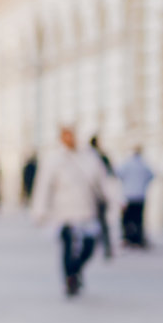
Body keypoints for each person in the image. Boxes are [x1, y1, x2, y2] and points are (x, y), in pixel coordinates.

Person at [31, 126, 117, 297]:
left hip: (87, 210)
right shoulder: (54, 159)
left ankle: (76, 270)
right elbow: (43, 186)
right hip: (64, 212)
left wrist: (115, 200)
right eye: (66, 135)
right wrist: (39, 210)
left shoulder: (89, 157)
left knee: (90, 246)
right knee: (68, 246)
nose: (70, 138)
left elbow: (102, 181)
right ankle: (69, 278)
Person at [117, 146, 155, 248]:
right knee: (138, 219)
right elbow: (151, 176)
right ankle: (138, 239)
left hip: (128, 196)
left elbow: (118, 174)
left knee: (127, 219)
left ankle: (128, 238)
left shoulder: (127, 164)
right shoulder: (144, 164)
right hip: (140, 196)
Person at [88, 135, 116, 260]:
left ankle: (100, 247)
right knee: (101, 223)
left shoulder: (86, 157)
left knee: (91, 223)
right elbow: (110, 173)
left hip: (91, 197)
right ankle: (106, 248)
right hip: (98, 196)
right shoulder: (100, 157)